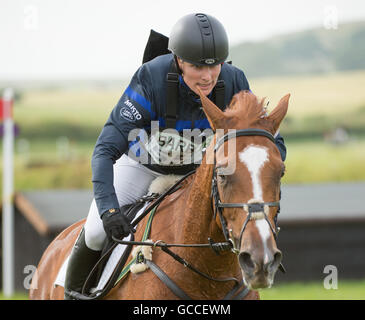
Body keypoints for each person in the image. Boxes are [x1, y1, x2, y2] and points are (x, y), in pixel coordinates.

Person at [64, 13, 287, 299]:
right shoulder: (151, 78)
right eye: (197, 66)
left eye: (214, 65)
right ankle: (73, 294)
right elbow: (105, 149)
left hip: (197, 174)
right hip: (143, 167)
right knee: (95, 231)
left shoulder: (233, 80)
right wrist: (108, 209)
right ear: (179, 60)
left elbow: (270, 141)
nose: (207, 76)